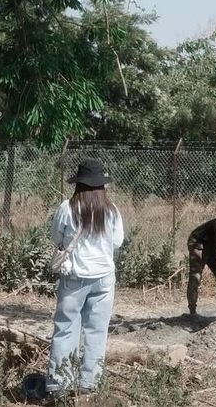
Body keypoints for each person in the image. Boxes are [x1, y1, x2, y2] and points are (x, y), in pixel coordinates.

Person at [44, 158, 124, 396]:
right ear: (102, 185)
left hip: (75, 278)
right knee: (96, 330)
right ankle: (88, 384)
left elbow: (56, 238)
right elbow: (117, 242)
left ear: (78, 183)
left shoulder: (66, 208)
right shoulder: (112, 210)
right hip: (104, 278)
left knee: (66, 328)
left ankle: (59, 386)